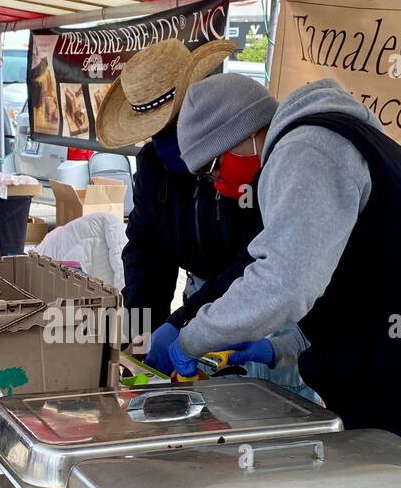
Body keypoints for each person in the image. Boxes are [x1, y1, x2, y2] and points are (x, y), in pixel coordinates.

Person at [160, 74, 401, 460]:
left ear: (242, 132)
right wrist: (273, 349)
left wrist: (193, 337)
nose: (218, 184)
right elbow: (353, 289)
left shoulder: (307, 150)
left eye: (213, 169)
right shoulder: (329, 141)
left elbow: (284, 284)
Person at [99, 39, 311, 395]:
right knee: (206, 409)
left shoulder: (251, 152)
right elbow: (145, 251)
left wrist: (185, 323)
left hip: (264, 300)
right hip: (203, 300)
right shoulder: (155, 164)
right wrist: (141, 335)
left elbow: (258, 257)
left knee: (271, 412)